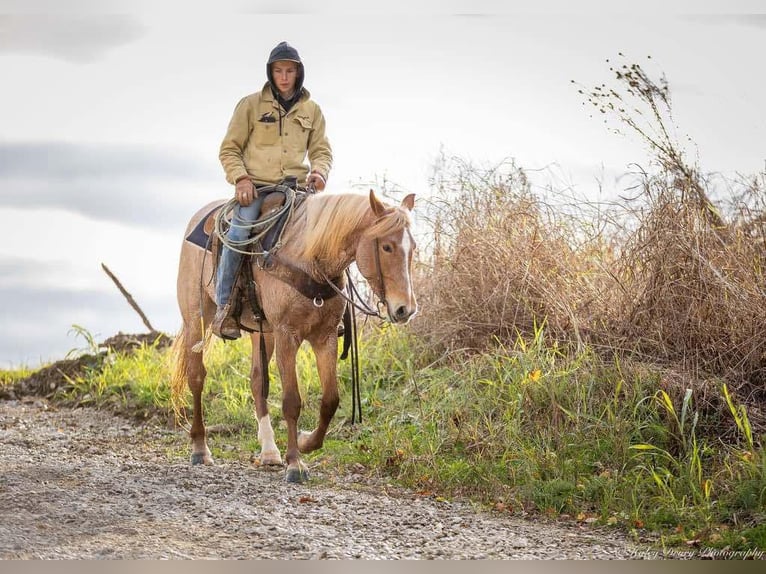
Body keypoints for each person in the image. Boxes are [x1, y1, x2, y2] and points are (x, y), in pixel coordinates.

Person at [212, 41, 333, 340]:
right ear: (270, 72)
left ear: (298, 73)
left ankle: (331, 311)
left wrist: (319, 171)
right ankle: (224, 307)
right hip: (257, 190)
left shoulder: (312, 111)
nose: (283, 76)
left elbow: (322, 151)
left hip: (298, 190)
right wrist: (240, 179)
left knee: (329, 236)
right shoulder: (251, 105)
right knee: (238, 233)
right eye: (278, 71)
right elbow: (229, 149)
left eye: (289, 71)